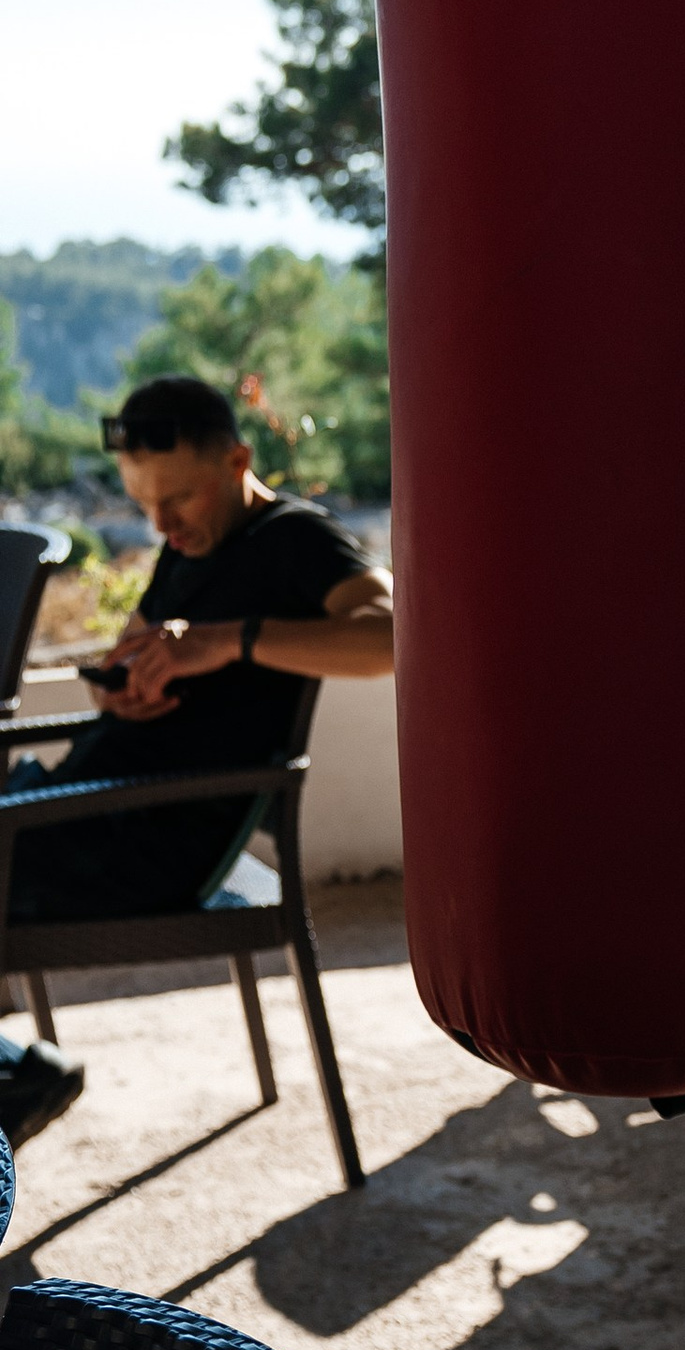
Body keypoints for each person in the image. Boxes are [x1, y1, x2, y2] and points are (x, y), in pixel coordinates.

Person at [0, 377, 395, 1150]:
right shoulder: (188, 548)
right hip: (91, 805)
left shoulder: (296, 539)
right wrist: (119, 692)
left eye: (178, 499)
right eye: (144, 503)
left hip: (154, 842)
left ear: (237, 461)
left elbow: (388, 638)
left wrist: (228, 640)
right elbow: (146, 645)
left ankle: (21, 1077)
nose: (161, 524)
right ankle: (21, 1070)